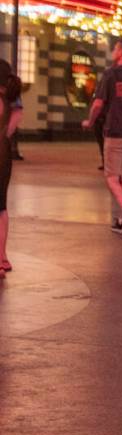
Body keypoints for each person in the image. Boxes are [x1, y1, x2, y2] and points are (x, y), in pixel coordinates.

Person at [82, 39, 122, 236]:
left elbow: (98, 104)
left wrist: (90, 122)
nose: (113, 52)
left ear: (121, 53)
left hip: (115, 132)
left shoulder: (110, 75)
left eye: (115, 49)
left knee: (111, 176)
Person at [0, 60, 22, 279]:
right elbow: (16, 118)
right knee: (1, 208)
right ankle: (2, 257)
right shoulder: (10, 99)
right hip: (3, 153)